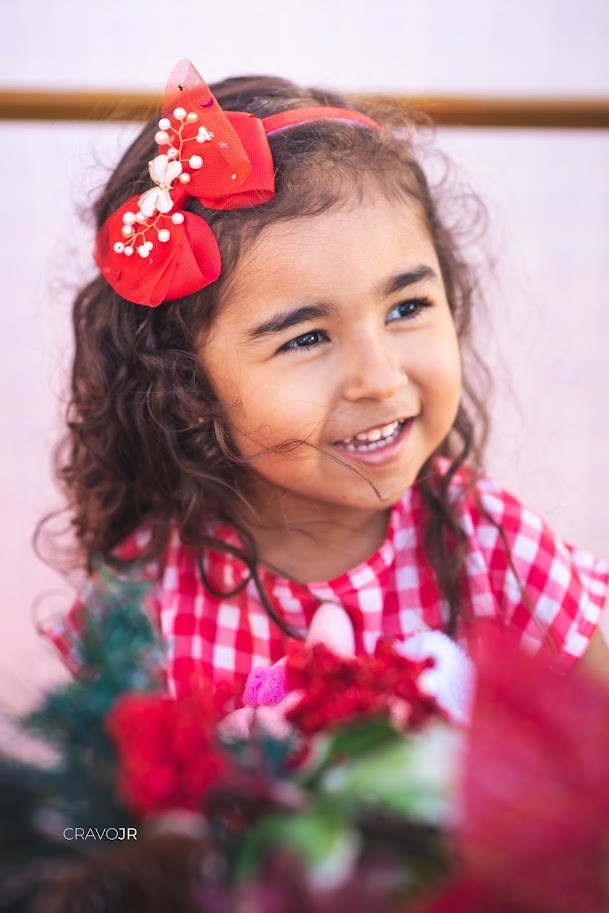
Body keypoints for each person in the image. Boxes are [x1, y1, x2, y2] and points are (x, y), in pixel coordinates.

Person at [40, 59, 609, 705]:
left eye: (407, 308)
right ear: (185, 385)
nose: (379, 378)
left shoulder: (499, 555)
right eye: (306, 338)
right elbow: (98, 771)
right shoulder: (144, 602)